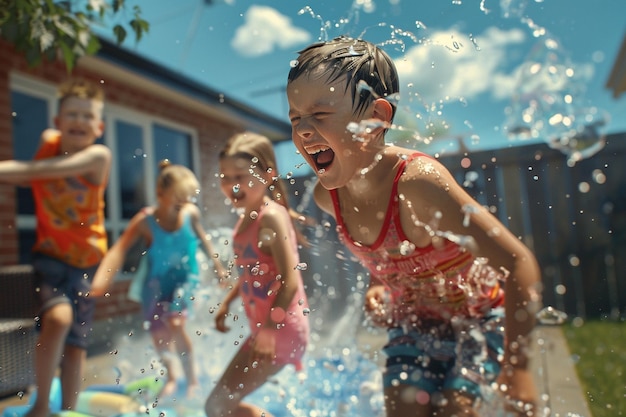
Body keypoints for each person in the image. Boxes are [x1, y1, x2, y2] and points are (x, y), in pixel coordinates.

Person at [286, 36, 541, 417]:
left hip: (478, 316)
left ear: (376, 119)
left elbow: (518, 262)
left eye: (319, 115)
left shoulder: (419, 184)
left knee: (457, 407)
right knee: (402, 406)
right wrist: (377, 286)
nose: (304, 129)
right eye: (295, 117)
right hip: (417, 321)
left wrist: (518, 368)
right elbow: (388, 252)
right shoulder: (330, 197)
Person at [0, 79, 111, 417]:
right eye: (71, 114)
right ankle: (41, 406)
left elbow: (41, 172)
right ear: (57, 121)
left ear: (99, 127)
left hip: (86, 262)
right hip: (49, 258)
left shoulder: (98, 156)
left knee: (77, 347)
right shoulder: (50, 142)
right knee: (58, 320)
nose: (79, 121)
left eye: (87, 116)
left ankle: (68, 411)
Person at [91, 160, 227, 398]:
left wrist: (217, 266)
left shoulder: (190, 214)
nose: (184, 204)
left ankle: (192, 379)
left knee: (175, 323)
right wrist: (104, 277)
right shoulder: (145, 221)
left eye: (187, 198)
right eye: (178, 197)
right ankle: (173, 377)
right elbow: (119, 249)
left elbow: (204, 241)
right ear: (160, 194)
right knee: (158, 333)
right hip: (154, 285)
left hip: (185, 279)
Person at [205, 132, 310, 417]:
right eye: (225, 177)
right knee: (217, 406)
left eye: (240, 176)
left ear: (267, 175)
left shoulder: (271, 217)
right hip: (266, 329)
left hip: (280, 330)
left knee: (217, 407)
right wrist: (228, 301)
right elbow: (252, 271)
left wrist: (269, 328)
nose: (231, 185)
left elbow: (290, 280)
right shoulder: (245, 220)